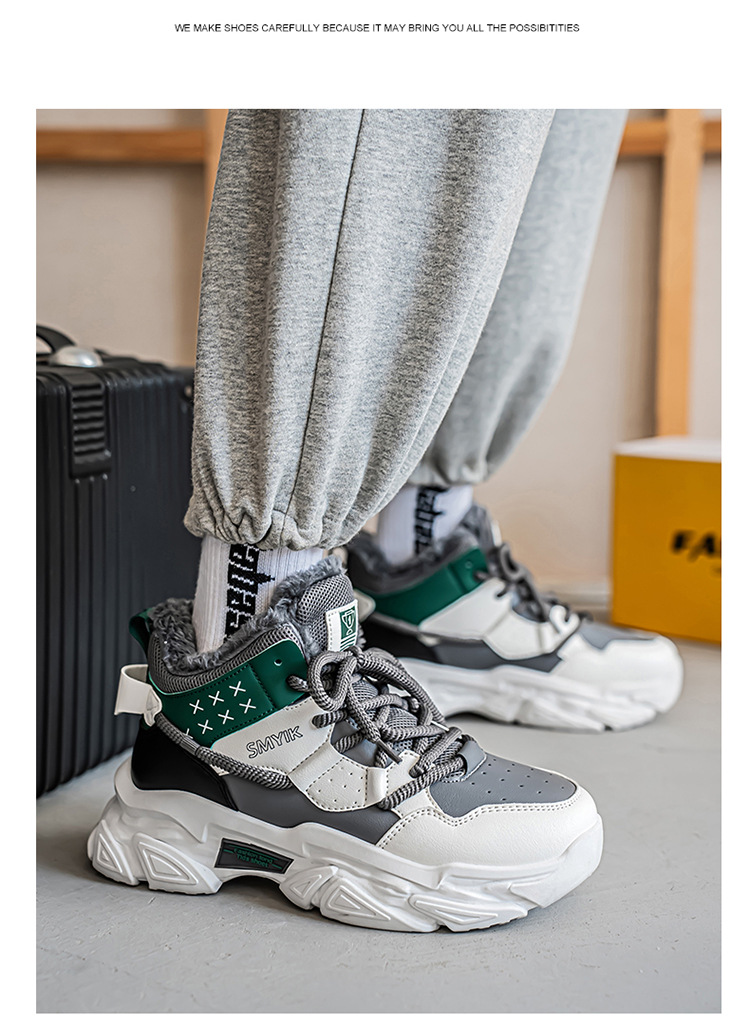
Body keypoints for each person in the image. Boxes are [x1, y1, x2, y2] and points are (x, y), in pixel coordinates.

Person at [88, 109, 682, 933]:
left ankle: (403, 567)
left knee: (520, 154)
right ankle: (247, 680)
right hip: (261, 596)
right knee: (399, 122)